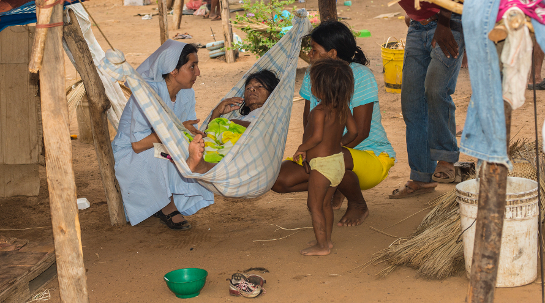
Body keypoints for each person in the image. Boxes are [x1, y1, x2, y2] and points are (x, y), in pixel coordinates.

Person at [271, 21, 396, 227]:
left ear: (332, 53)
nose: (309, 54)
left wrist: (323, 154)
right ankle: (335, 184)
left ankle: (357, 203)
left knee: (330, 158)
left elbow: (361, 132)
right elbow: (308, 123)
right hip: (326, 152)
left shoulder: (360, 76)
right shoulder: (313, 75)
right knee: (279, 180)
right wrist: (311, 153)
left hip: (369, 155)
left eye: (313, 50)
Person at [112, 40, 213, 230]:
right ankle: (166, 205)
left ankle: (163, 198)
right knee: (168, 155)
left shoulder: (186, 94)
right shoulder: (147, 93)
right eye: (192, 66)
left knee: (195, 151)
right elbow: (138, 145)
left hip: (163, 147)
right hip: (133, 154)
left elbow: (185, 131)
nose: (198, 72)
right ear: (173, 70)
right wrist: (176, 130)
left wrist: (194, 129)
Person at [389, 1, 465, 198]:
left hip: (448, 24)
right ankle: (421, 177)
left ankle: (446, 158)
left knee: (436, 90)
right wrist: (415, 15)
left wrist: (444, 23)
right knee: (412, 105)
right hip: (417, 27)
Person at [294, 59, 357, 256]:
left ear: (322, 89)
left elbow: (317, 137)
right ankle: (326, 241)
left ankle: (322, 247)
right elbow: (354, 132)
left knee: (315, 206)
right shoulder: (343, 108)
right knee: (325, 204)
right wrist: (339, 142)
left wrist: (301, 148)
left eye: (313, 83)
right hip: (337, 163)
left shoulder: (319, 111)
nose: (311, 86)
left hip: (322, 167)